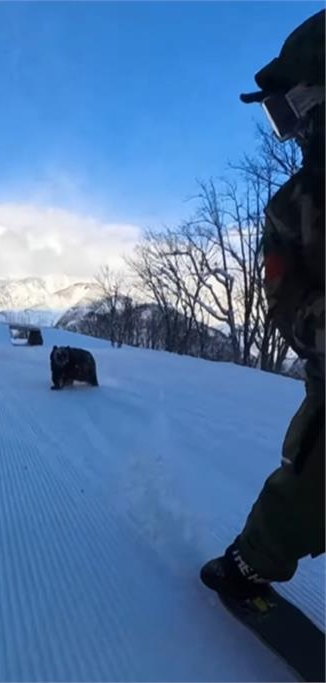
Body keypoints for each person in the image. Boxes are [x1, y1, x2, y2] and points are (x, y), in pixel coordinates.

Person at [200, 10, 324, 598]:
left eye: (288, 111)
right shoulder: (291, 208)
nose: (290, 129)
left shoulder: (290, 207)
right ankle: (254, 559)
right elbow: (290, 312)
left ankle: (257, 557)